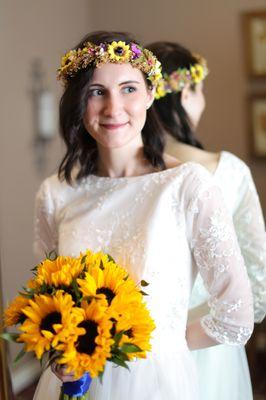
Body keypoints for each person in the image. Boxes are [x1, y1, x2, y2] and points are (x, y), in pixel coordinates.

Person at [33, 31, 254, 400]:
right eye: (96, 91)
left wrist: (154, 347)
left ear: (151, 94)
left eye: (129, 89)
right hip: (71, 383)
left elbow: (235, 317)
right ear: (78, 102)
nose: (113, 108)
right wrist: (61, 347)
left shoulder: (188, 185)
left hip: (158, 384)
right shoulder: (55, 193)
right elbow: (48, 303)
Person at [147, 40, 266, 400]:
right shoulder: (228, 172)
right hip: (212, 348)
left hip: (137, 344)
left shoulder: (125, 171)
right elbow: (257, 287)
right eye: (201, 91)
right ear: (185, 95)